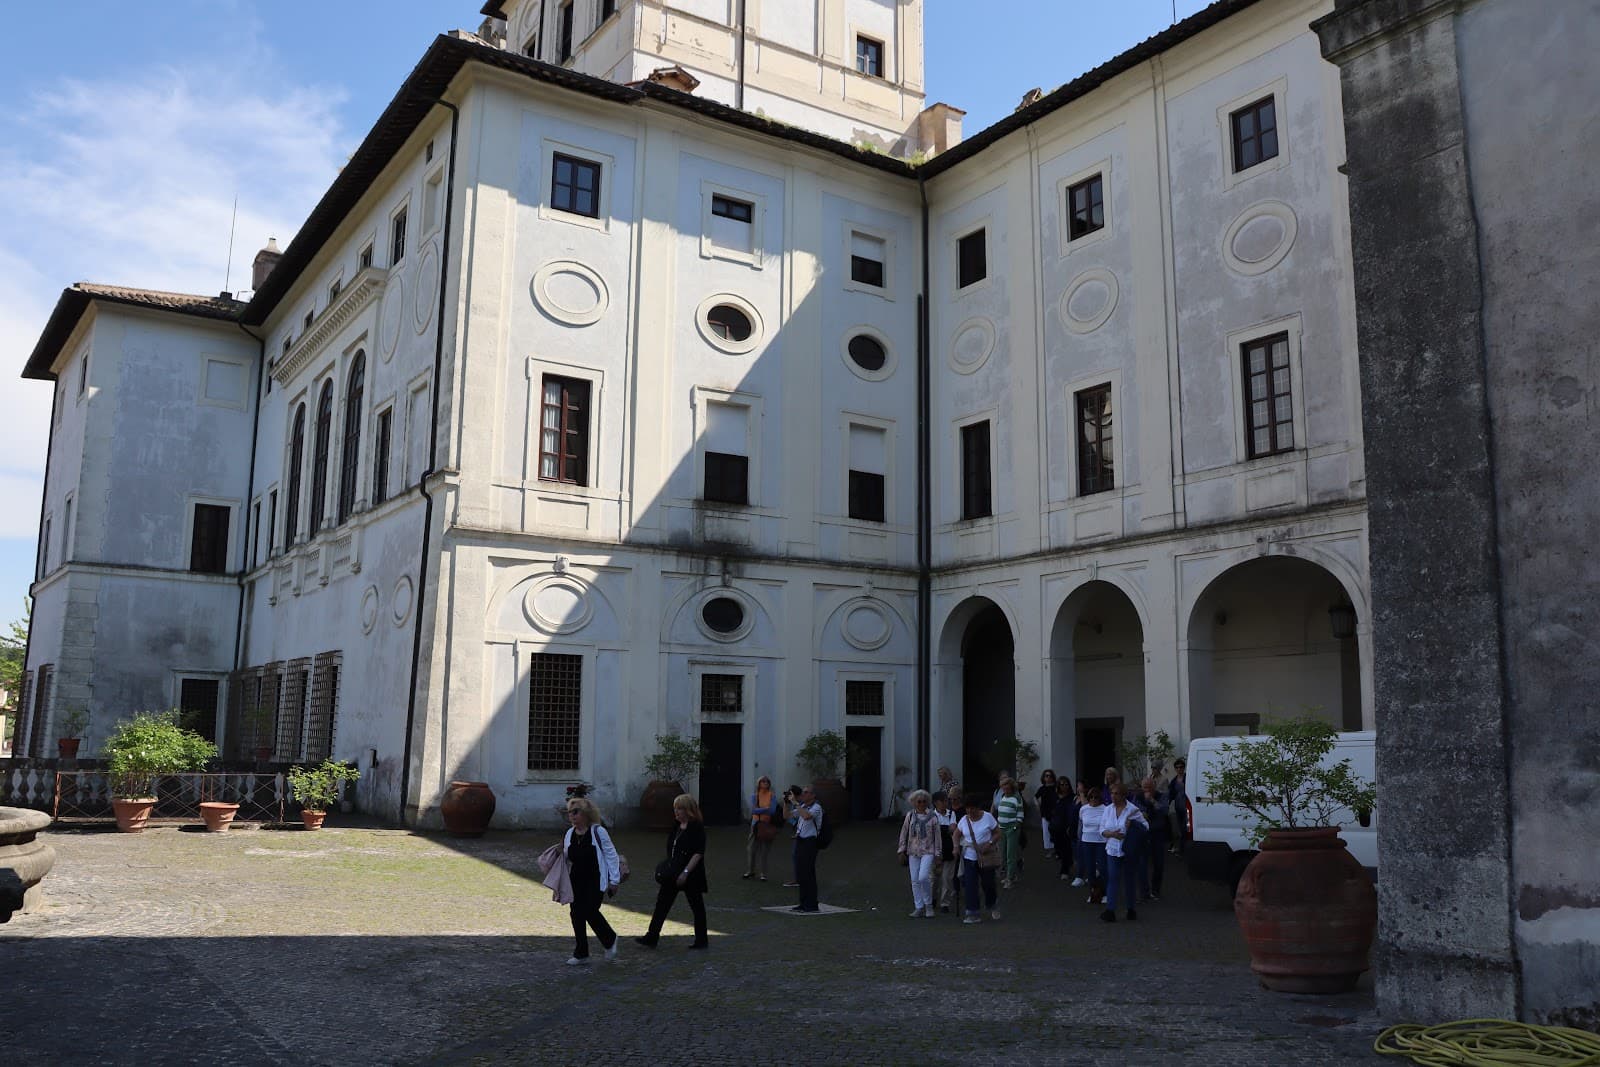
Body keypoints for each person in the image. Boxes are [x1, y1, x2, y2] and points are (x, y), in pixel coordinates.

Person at [635, 794, 709, 950]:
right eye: (675, 808)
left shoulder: (696, 827)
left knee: (697, 906)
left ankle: (701, 940)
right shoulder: (676, 825)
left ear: (688, 810)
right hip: (674, 871)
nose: (676, 812)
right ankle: (652, 936)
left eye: (680, 808)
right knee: (662, 903)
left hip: (691, 873)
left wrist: (686, 872)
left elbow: (698, 853)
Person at [562, 796, 622, 965]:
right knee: (576, 914)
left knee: (589, 910)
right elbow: (567, 856)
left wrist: (614, 880)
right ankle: (581, 953)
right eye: (569, 813)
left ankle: (610, 939)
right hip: (575, 880)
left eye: (576, 812)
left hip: (595, 880)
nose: (572, 816)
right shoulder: (569, 833)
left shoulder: (598, 832)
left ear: (586, 814)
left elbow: (611, 855)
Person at [1099, 781, 1148, 922]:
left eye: (1116, 794)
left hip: (1129, 850)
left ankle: (1131, 909)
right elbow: (1101, 829)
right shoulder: (1108, 810)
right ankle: (1110, 910)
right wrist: (1111, 834)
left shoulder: (1132, 810)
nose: (1113, 796)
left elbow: (1145, 827)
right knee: (1113, 878)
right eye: (1111, 793)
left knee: (1129, 880)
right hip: (1113, 849)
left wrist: (1133, 824)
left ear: (1123, 795)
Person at [953, 795, 1001, 924]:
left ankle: (992, 904)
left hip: (986, 856)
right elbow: (956, 834)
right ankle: (973, 912)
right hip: (969, 857)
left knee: (988, 884)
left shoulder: (987, 817)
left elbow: (997, 832)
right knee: (970, 885)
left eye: (972, 809)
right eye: (967, 809)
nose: (970, 812)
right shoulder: (964, 820)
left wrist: (989, 843)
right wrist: (956, 847)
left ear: (978, 808)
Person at [896, 789, 940, 917]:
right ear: (914, 803)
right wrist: (901, 850)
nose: (921, 804)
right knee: (914, 880)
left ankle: (929, 904)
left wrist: (938, 854)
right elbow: (904, 833)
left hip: (928, 850)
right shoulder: (910, 816)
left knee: (923, 877)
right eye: (919, 802)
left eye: (924, 802)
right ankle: (919, 906)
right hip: (913, 851)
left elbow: (937, 837)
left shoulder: (932, 817)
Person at [789, 784, 823, 912]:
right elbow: (788, 816)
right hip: (800, 841)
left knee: (808, 873)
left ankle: (812, 903)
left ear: (813, 795)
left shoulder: (817, 807)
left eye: (806, 792)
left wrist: (795, 802)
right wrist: (787, 803)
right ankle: (803, 902)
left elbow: (806, 816)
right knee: (801, 873)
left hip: (810, 842)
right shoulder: (803, 806)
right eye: (803, 792)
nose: (803, 794)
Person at [1136, 776, 1171, 900]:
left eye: (1149, 788)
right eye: (1144, 787)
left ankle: (1156, 890)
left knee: (1158, 863)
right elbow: (1136, 810)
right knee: (1142, 863)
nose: (1146, 790)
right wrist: (1143, 811)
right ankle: (1144, 891)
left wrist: (1152, 801)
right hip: (1144, 834)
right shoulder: (1138, 797)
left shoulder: (1161, 796)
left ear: (1154, 787)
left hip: (1157, 833)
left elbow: (1164, 810)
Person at [743, 775, 783, 881]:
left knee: (765, 850)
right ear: (759, 783)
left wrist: (761, 809)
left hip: (767, 824)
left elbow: (772, 811)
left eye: (767, 781)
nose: (765, 783)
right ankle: (750, 871)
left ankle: (763, 874)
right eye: (763, 781)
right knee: (751, 848)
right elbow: (753, 811)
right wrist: (765, 808)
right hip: (755, 824)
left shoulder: (772, 796)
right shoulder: (755, 796)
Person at [993, 776, 1025, 889]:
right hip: (1001, 829)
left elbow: (1020, 816)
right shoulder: (1003, 797)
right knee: (1003, 854)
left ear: (1011, 787)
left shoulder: (1017, 798)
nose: (1005, 790)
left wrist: (1015, 828)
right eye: (1003, 787)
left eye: (1007, 787)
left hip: (1012, 829)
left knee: (1010, 854)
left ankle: (1009, 878)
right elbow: (1000, 813)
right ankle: (1011, 874)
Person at [1077, 786, 1106, 901]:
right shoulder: (1084, 809)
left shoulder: (1105, 809)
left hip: (1101, 841)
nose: (1094, 799)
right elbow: (1081, 824)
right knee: (1090, 869)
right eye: (1091, 797)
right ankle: (1093, 893)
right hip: (1087, 841)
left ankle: (1105, 893)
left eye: (1096, 797)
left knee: (1103, 868)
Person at [933, 789, 959, 913]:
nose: (946, 803)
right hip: (935, 850)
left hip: (948, 849)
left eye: (946, 801)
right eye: (943, 801)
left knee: (947, 878)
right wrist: (946, 829)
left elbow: (953, 829)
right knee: (934, 877)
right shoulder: (932, 816)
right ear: (936, 803)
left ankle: (944, 903)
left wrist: (944, 830)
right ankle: (932, 898)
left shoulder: (951, 814)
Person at [1049, 777, 1077, 881]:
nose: (1064, 786)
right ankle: (1069, 861)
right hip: (1055, 826)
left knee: (1066, 848)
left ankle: (1064, 871)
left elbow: (1073, 812)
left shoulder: (1072, 797)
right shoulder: (1056, 797)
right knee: (1059, 849)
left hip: (1066, 827)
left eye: (1066, 784)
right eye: (1062, 784)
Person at [1034, 769, 1059, 859]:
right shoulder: (1042, 788)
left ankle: (1057, 850)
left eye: (1050, 776)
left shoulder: (1057, 787)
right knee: (1046, 833)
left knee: (1056, 832)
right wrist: (1038, 805)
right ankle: (1050, 850)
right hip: (1045, 814)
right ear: (1043, 777)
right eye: (1046, 776)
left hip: (1055, 814)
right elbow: (1035, 797)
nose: (1048, 777)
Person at [1167, 758, 1189, 854]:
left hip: (1187, 807)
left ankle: (1182, 849)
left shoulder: (1187, 778)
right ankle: (1182, 848)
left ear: (1184, 768)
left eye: (1181, 767)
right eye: (1177, 767)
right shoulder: (1174, 781)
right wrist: (1166, 804)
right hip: (1178, 806)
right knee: (1180, 828)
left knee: (1185, 828)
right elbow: (1171, 794)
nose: (1179, 769)